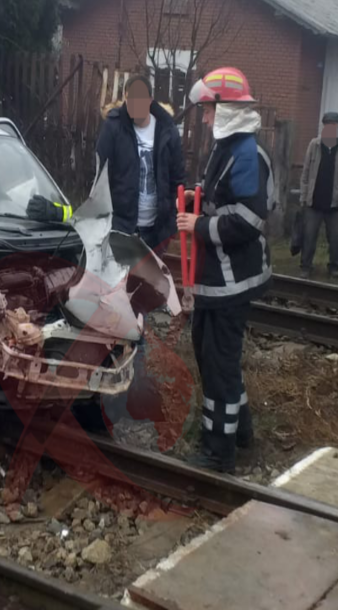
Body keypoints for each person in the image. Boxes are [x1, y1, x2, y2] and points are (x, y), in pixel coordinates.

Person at [177, 67, 274, 473]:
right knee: (218, 358)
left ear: (226, 108)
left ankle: (219, 452)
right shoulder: (229, 147)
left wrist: (198, 225)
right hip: (217, 279)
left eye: (208, 110)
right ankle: (241, 431)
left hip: (229, 282)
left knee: (218, 364)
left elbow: (249, 221)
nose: (203, 118)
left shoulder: (248, 154)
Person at [94, 75, 186, 253]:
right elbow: (100, 179)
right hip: (120, 230)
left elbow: (177, 179)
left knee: (150, 281)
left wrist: (169, 225)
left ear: (150, 100)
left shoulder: (167, 130)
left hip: (156, 233)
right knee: (122, 281)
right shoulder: (113, 128)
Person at [299, 112, 338, 280]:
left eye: (334, 124)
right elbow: (306, 172)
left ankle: (334, 267)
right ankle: (305, 267)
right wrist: (303, 196)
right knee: (309, 237)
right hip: (314, 201)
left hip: (335, 203)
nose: (330, 127)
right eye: (327, 124)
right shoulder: (314, 145)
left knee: (335, 239)